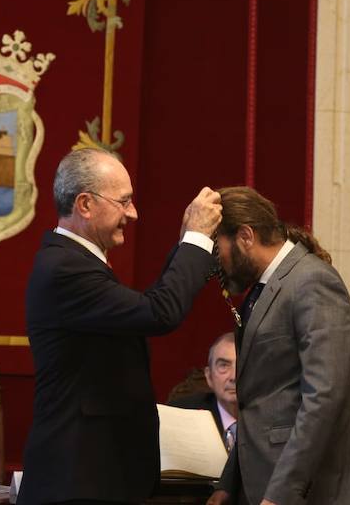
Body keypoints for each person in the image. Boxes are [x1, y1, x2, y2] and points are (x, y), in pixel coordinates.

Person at [17, 148, 222, 505]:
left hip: (98, 476)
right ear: (85, 204)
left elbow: (148, 308)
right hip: (78, 482)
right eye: (123, 201)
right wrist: (197, 239)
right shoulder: (65, 268)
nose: (133, 213)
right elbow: (159, 313)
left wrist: (188, 244)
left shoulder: (76, 261)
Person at [207, 186, 350, 505]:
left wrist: (283, 492)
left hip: (308, 490)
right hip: (264, 484)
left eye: (218, 250)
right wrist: (228, 484)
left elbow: (324, 396)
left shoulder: (312, 281)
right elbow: (261, 401)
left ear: (245, 236)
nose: (217, 266)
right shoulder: (263, 291)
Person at [169, 332, 238, 450]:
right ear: (209, 376)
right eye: (223, 366)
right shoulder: (182, 414)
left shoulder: (272, 416)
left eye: (241, 366)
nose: (233, 377)